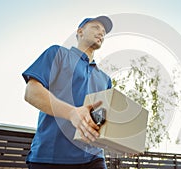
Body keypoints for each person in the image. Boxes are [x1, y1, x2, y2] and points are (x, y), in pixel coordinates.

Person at [22, 15, 113, 169]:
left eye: (104, 31)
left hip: (94, 157)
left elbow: (103, 117)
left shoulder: (105, 79)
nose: (101, 33)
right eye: (96, 27)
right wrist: (71, 113)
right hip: (51, 156)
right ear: (80, 32)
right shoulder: (57, 53)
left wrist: (121, 142)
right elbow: (31, 92)